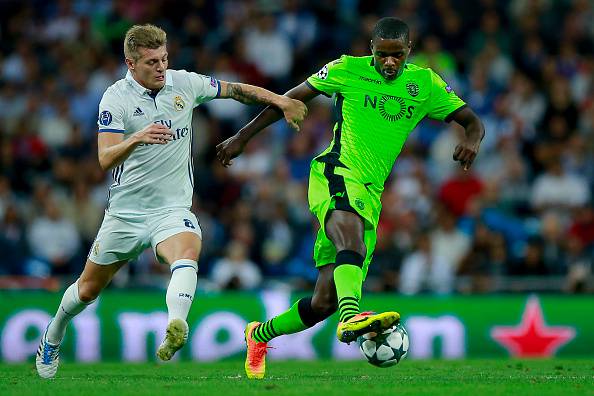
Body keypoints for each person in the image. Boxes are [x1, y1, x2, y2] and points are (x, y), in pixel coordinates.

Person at [216, 17, 485, 379]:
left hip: (371, 191)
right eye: (383, 55)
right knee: (350, 235)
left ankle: (259, 335)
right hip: (336, 171)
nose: (390, 63)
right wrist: (243, 137)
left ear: (409, 51)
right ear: (371, 49)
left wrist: (472, 139)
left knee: (323, 299)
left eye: (398, 55)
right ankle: (351, 316)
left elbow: (472, 120)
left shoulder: (425, 83)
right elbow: (288, 100)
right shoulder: (346, 68)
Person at [35, 23, 307, 379]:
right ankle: (53, 333)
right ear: (130, 64)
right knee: (86, 291)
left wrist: (281, 99)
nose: (161, 67)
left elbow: (236, 90)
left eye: (164, 58)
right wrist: (138, 138)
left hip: (171, 209)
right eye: (151, 62)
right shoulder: (115, 98)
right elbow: (104, 159)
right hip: (126, 214)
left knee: (187, 252)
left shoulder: (185, 83)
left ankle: (176, 325)